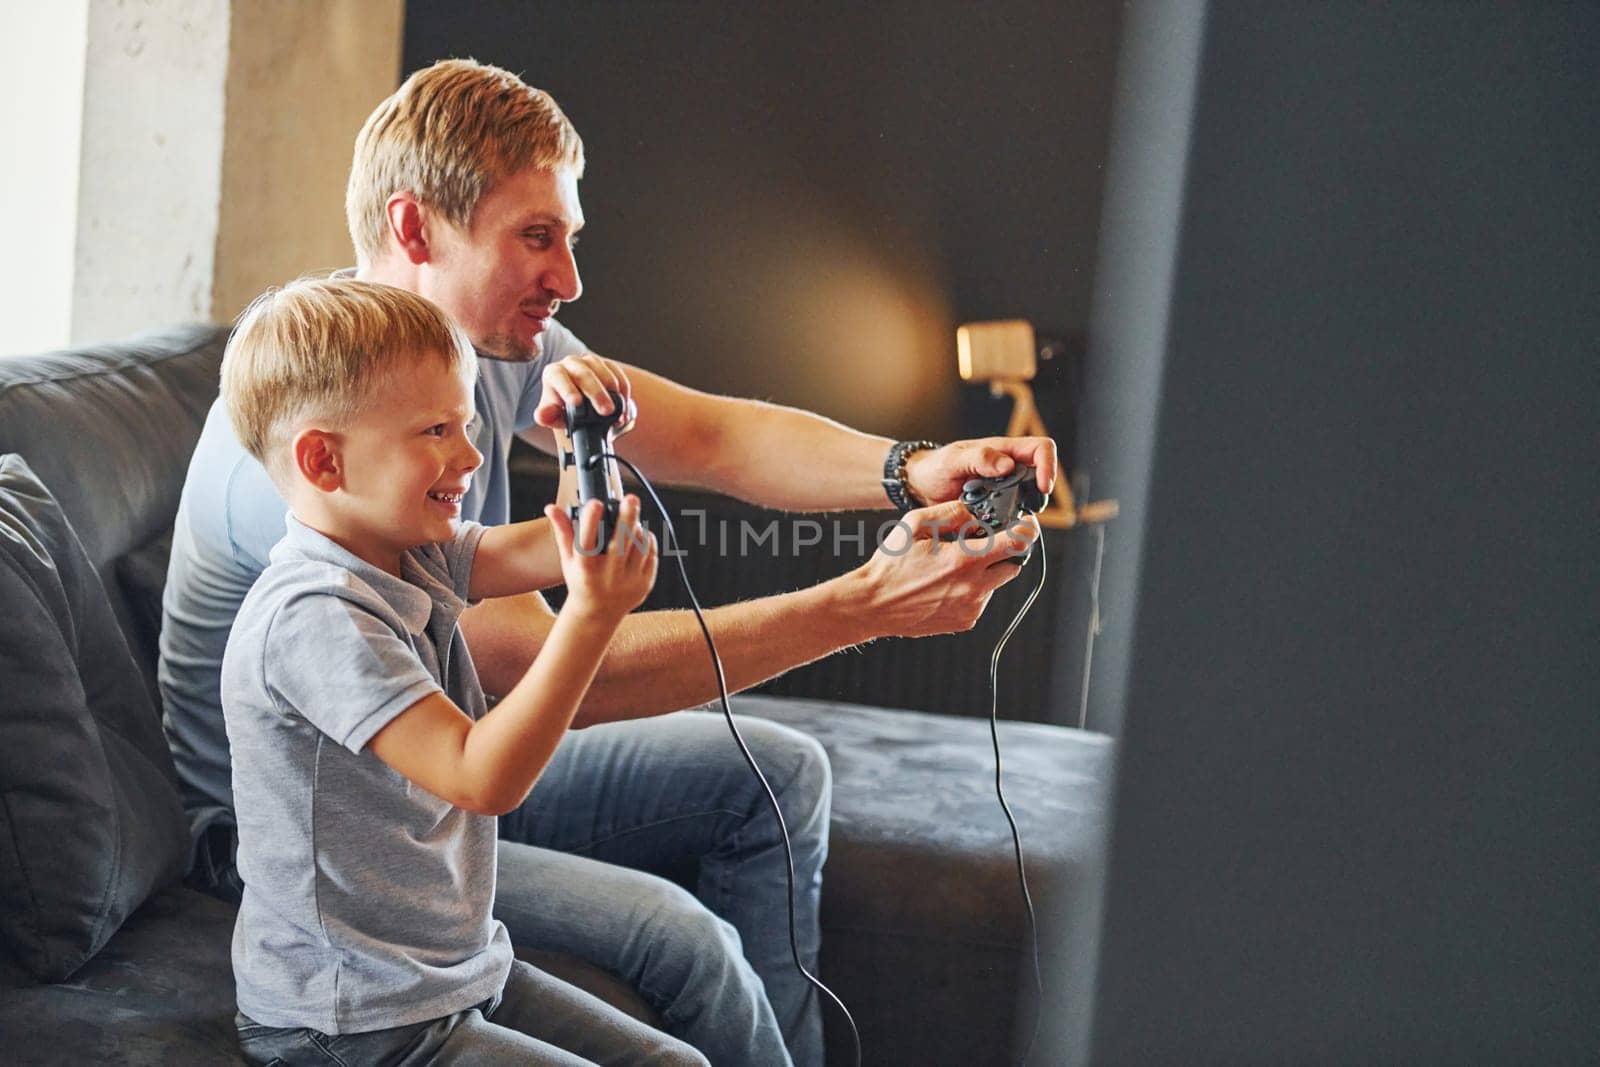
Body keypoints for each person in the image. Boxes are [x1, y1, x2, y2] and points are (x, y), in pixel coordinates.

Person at [160, 58, 1049, 1066]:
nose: (570, 280)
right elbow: (541, 679)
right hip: (313, 829)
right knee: (682, 939)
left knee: (777, 774)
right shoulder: (314, 442)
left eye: (569, 239)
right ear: (416, 230)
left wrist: (913, 468)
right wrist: (862, 603)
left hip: (435, 749)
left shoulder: (470, 359)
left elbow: (710, 438)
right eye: (536, 238)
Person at [217, 277, 714, 1065]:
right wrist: (589, 616)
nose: (472, 454)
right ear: (323, 459)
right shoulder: (315, 614)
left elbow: (558, 544)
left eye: (470, 422)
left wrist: (585, 439)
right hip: (354, 1016)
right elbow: (481, 776)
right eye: (437, 429)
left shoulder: (408, 552)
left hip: (447, 971)